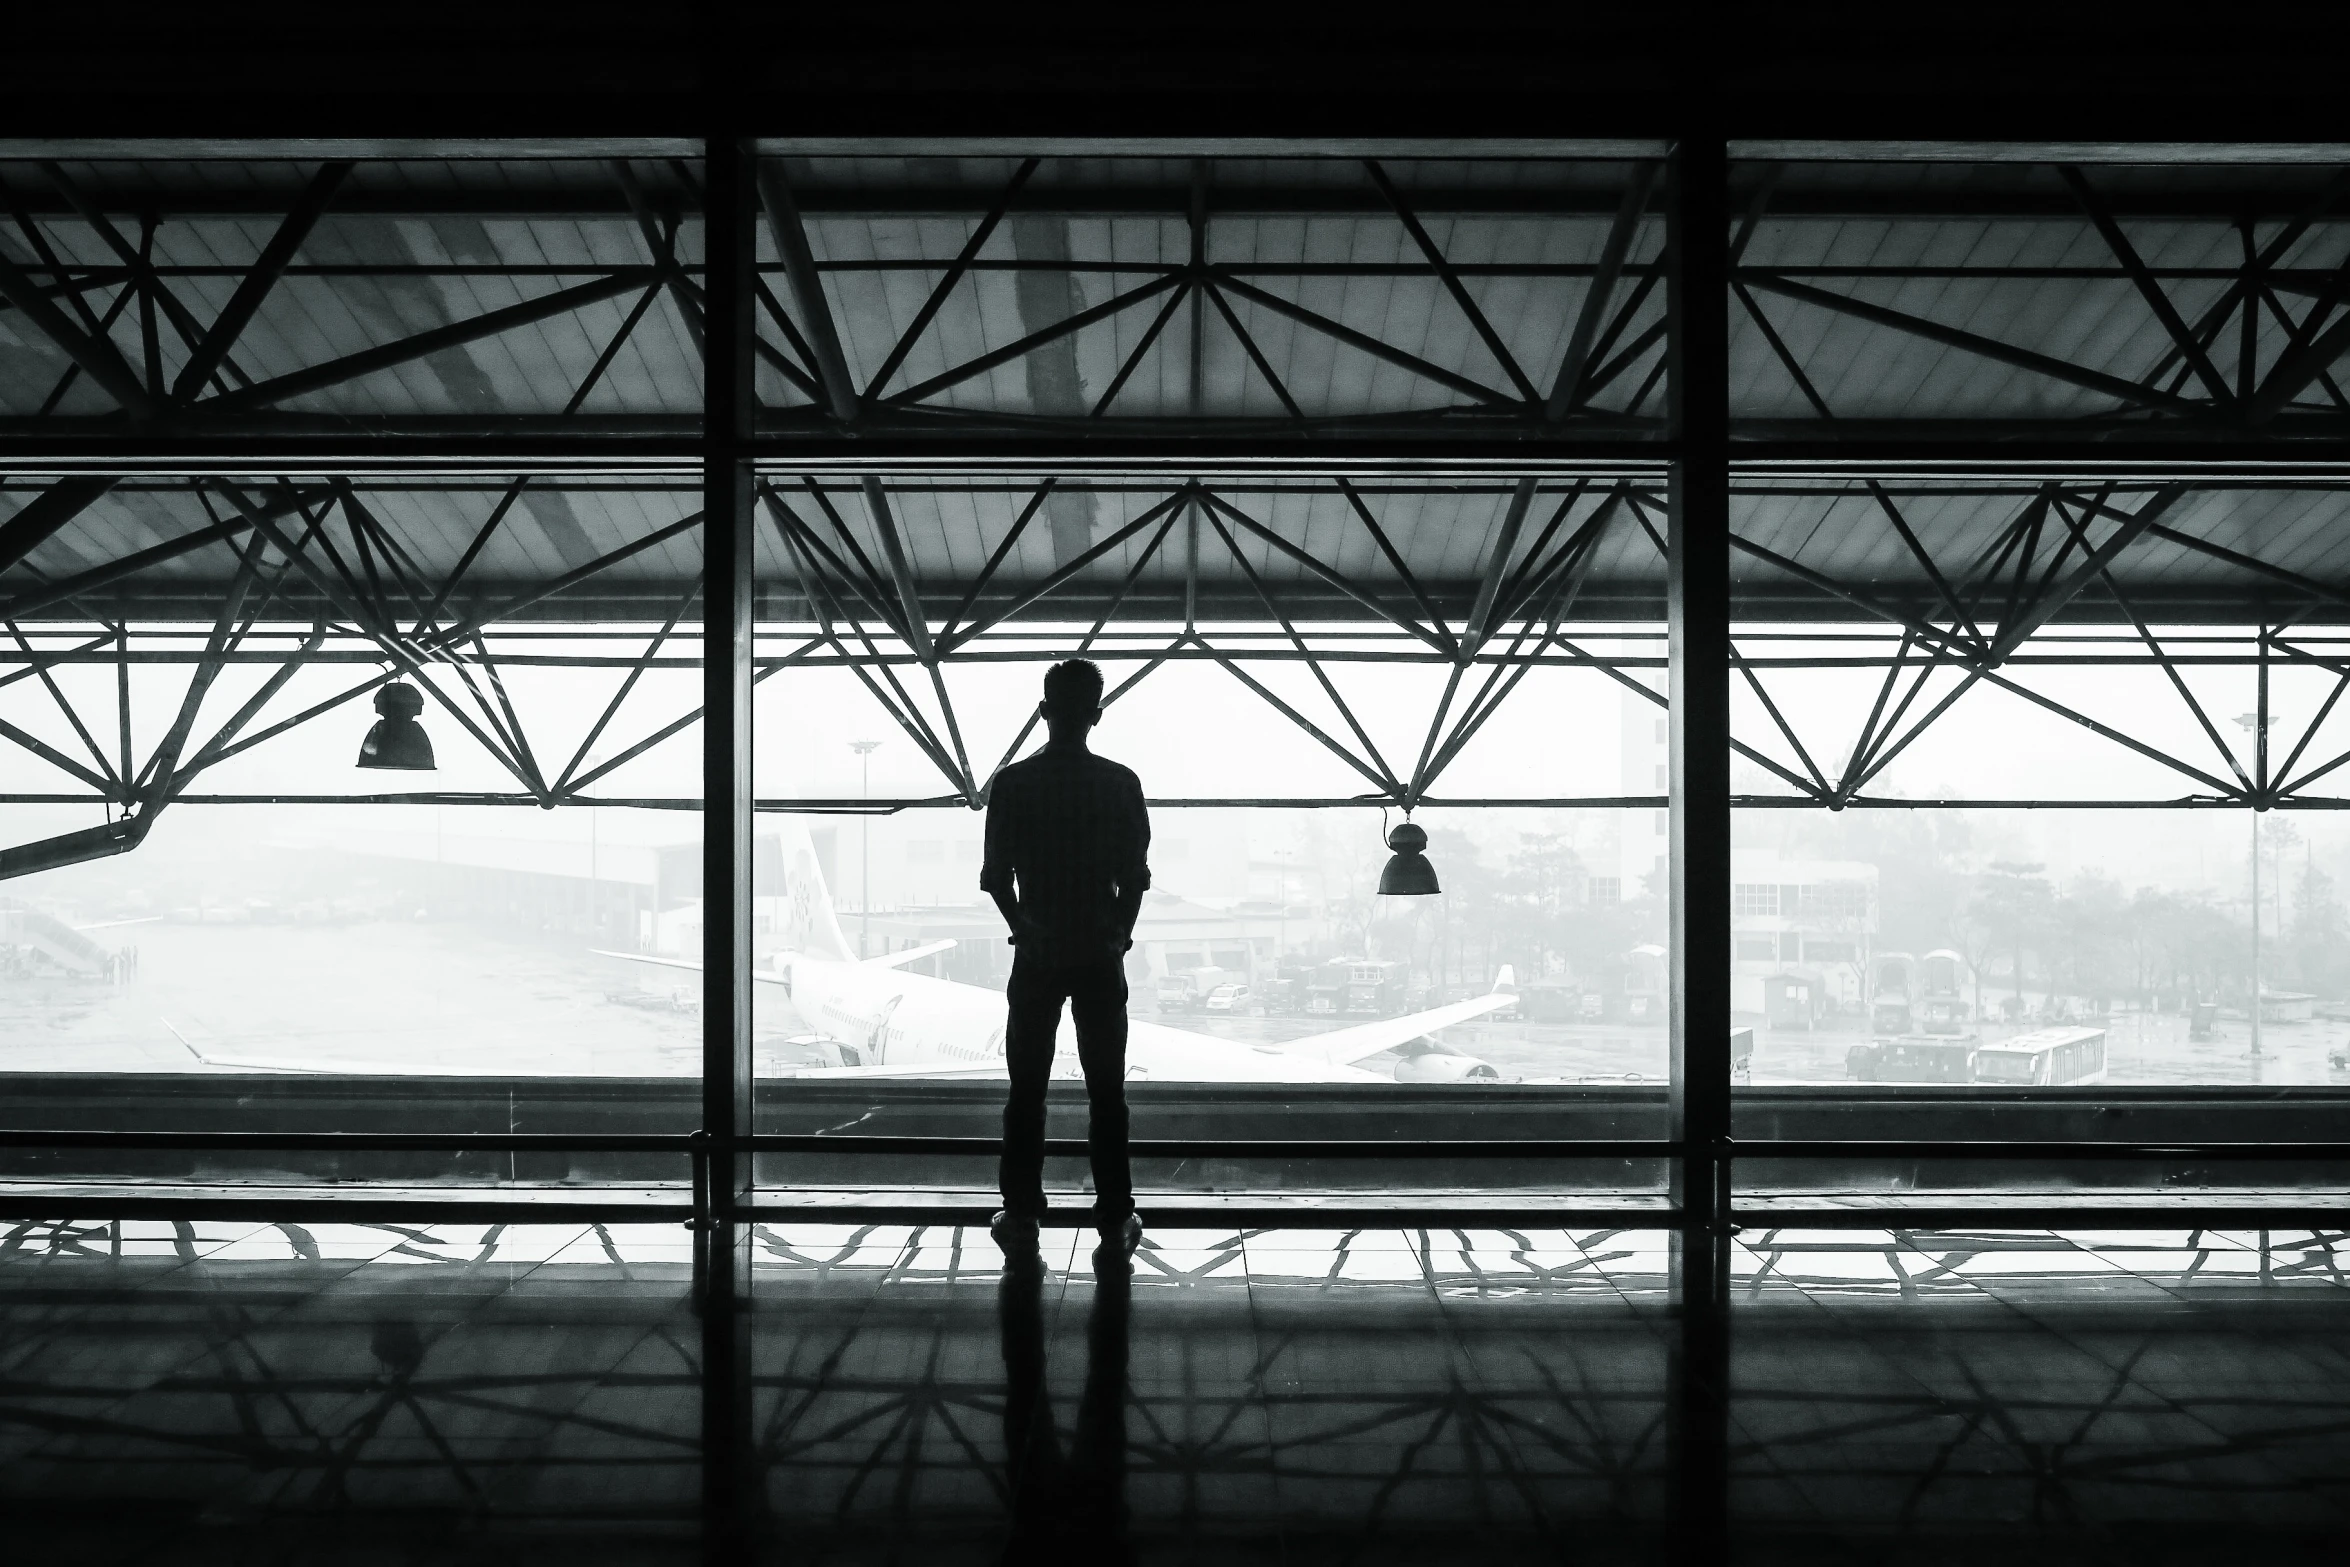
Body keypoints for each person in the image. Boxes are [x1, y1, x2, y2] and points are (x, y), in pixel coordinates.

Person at [980, 659, 1150, 1259]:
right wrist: (1118, 935)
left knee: (1026, 1090)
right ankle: (1114, 1213)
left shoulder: (1014, 784)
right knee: (1108, 1091)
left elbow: (997, 877)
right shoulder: (1119, 784)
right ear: (1096, 714)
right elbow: (1134, 879)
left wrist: (1023, 927)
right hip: (1099, 954)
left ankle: (1022, 1211)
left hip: (1038, 954)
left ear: (1045, 711)